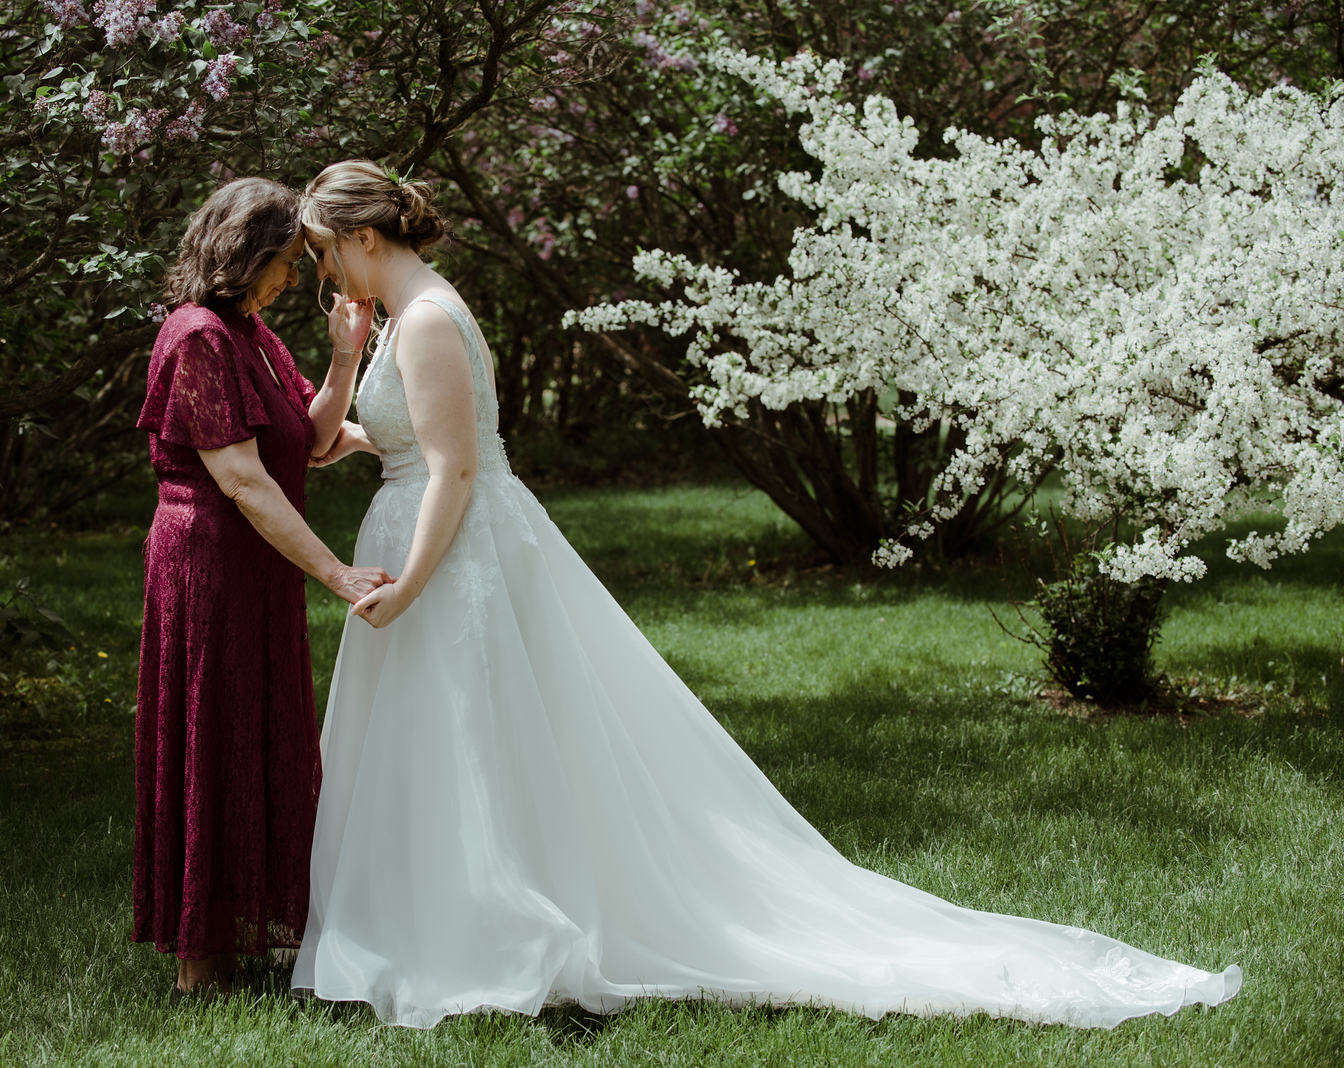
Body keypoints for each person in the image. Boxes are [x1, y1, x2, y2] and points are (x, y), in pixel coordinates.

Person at [292, 160, 1242, 1029]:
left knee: (472, 738)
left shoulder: (424, 319)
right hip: (437, 547)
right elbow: (349, 443)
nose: (328, 273)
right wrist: (346, 362)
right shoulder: (398, 320)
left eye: (328, 252)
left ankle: (488, 930)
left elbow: (455, 471)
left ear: (365, 236)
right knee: (452, 741)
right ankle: (444, 915)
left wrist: (411, 585)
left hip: (449, 559)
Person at [132, 176, 388, 1000]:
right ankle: (200, 960)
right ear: (245, 254)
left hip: (258, 562)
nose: (292, 279)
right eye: (286, 262)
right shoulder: (198, 336)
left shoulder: (250, 331)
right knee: (215, 734)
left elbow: (306, 443)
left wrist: (346, 354)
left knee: (263, 732)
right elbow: (242, 479)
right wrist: (337, 571)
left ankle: (244, 927)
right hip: (209, 562)